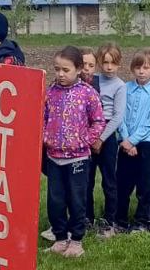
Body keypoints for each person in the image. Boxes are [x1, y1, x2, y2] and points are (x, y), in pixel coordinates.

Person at [42, 47, 106, 257]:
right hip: (54, 158)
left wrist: (85, 140)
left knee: (77, 199)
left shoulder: (88, 93)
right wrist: (45, 137)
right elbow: (41, 117)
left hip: (78, 158)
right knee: (55, 200)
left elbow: (98, 120)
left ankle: (76, 239)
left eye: (66, 70)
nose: (60, 74)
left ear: (78, 69)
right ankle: (60, 238)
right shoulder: (50, 92)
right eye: (57, 69)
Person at [115, 50, 150, 233]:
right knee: (123, 184)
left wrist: (134, 140)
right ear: (132, 69)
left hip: (147, 143)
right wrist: (126, 141)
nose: (141, 71)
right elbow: (121, 116)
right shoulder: (125, 88)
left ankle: (142, 220)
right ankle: (120, 220)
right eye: (138, 67)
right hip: (126, 142)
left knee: (145, 185)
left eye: (146, 67)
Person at [92, 43, 127, 238]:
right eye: (105, 63)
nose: (109, 67)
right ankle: (87, 217)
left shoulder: (119, 86)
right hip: (90, 131)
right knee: (86, 179)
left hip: (107, 134)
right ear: (99, 63)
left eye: (113, 63)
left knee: (109, 180)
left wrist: (102, 138)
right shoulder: (93, 80)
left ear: (119, 64)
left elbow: (117, 116)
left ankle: (110, 219)